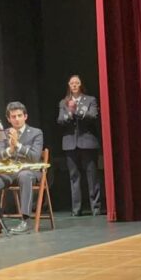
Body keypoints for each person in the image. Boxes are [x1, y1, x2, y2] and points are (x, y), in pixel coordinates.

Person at [0, 101, 44, 234]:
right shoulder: (5, 133)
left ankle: (26, 220)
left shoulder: (36, 133)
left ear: (25, 116)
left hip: (30, 171)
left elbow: (35, 157)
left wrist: (18, 145)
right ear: (9, 119)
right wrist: (10, 149)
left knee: (24, 175)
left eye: (19, 115)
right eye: (13, 117)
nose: (17, 119)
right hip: (10, 172)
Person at [57, 75, 102, 216]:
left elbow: (93, 116)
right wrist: (69, 115)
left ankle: (96, 207)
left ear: (81, 85)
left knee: (92, 176)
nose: (74, 85)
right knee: (74, 176)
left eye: (77, 83)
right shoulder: (64, 102)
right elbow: (59, 120)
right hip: (70, 143)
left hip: (87, 142)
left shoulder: (90, 100)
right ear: (69, 85)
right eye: (72, 83)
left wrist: (77, 111)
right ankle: (76, 209)